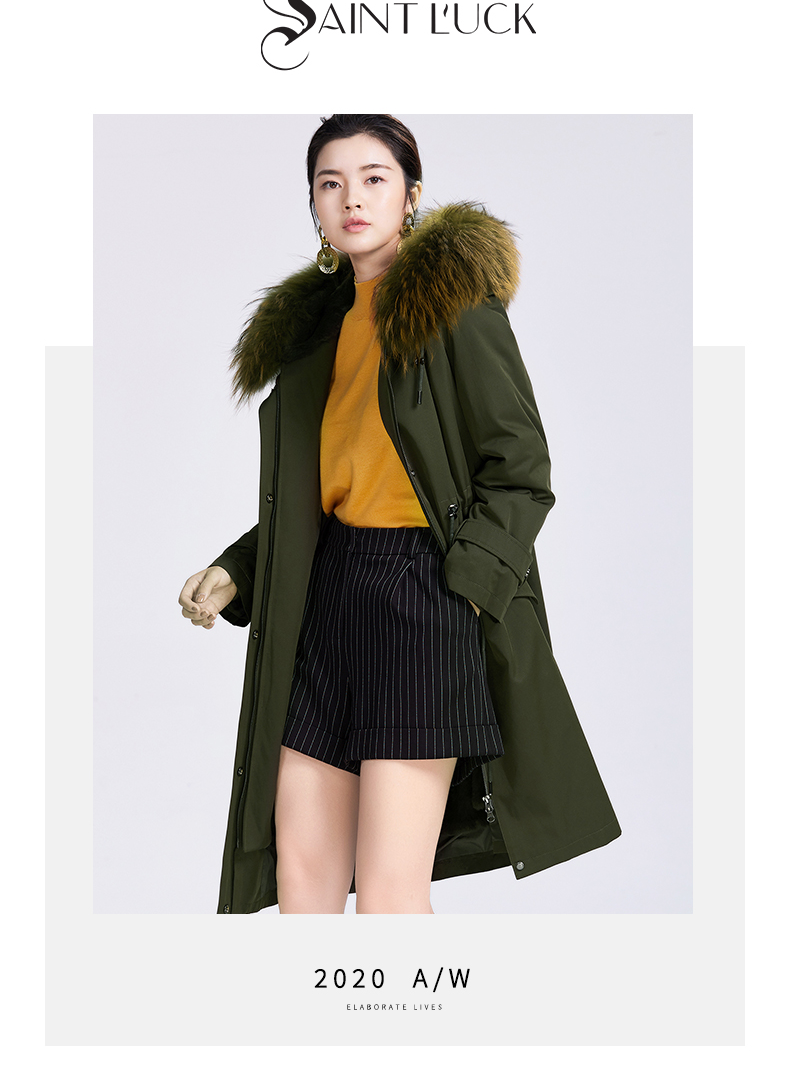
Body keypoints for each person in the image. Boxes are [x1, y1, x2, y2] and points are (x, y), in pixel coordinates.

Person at [178, 114, 621, 915]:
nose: (352, 198)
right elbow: (320, 495)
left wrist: (466, 589)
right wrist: (236, 569)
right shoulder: (318, 332)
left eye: (374, 178)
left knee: (388, 889)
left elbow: (521, 468)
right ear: (314, 205)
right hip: (327, 596)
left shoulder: (455, 306)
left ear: (410, 195)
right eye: (331, 183)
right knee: (302, 878)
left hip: (424, 596)